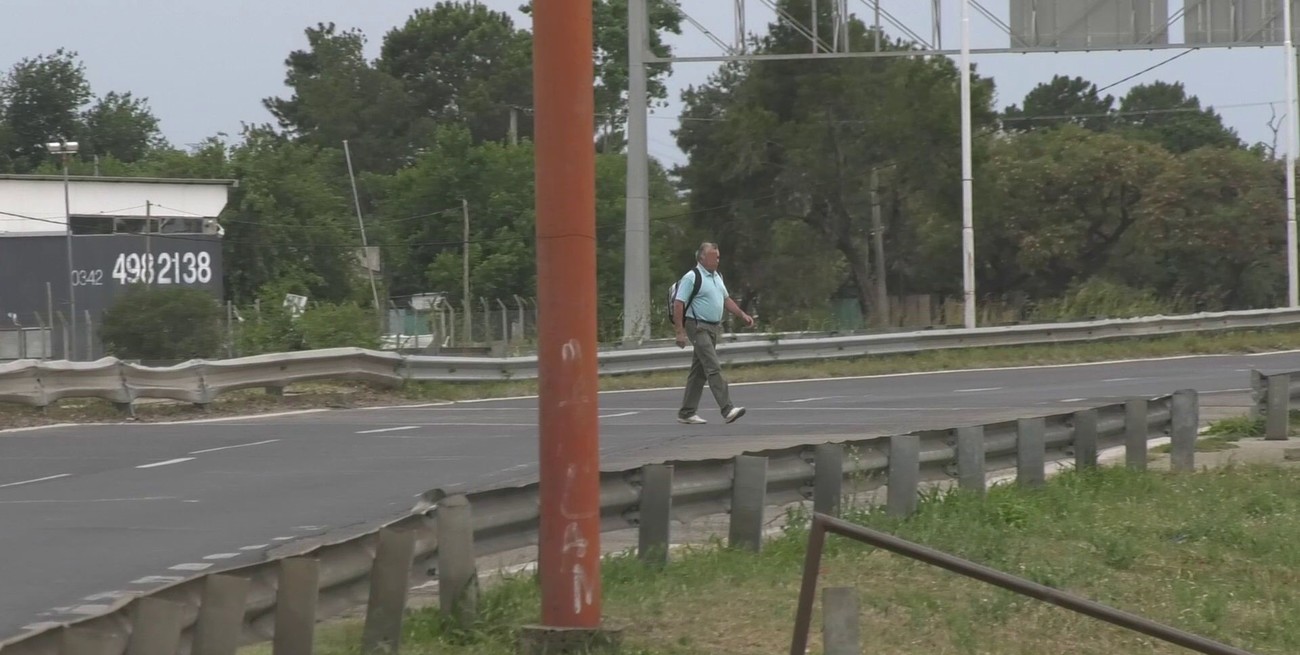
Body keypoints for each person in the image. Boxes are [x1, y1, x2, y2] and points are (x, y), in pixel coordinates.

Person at [672, 241, 755, 425]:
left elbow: (725, 299)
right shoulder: (692, 277)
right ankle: (727, 409)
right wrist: (680, 332)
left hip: (712, 328)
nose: (717, 259)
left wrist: (742, 315)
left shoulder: (717, 277)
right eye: (713, 256)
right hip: (698, 326)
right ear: (702, 257)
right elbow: (679, 303)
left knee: (699, 371)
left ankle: (686, 412)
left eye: (718, 256)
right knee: (712, 366)